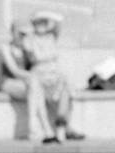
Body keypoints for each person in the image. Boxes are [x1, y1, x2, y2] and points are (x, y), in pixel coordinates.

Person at [27, 11, 85, 143]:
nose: (41, 26)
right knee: (38, 93)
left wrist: (46, 16)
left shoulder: (51, 37)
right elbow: (36, 57)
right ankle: (48, 130)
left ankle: (61, 124)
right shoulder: (30, 40)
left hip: (54, 74)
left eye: (43, 23)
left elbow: (59, 22)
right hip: (39, 74)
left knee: (66, 88)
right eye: (38, 23)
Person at [0, 21, 55, 142]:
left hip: (26, 84)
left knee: (36, 89)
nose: (23, 37)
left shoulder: (26, 48)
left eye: (26, 34)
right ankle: (42, 128)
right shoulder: (5, 48)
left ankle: (39, 129)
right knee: (35, 85)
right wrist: (32, 76)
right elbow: (14, 70)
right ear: (13, 33)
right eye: (21, 33)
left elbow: (38, 63)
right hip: (8, 82)